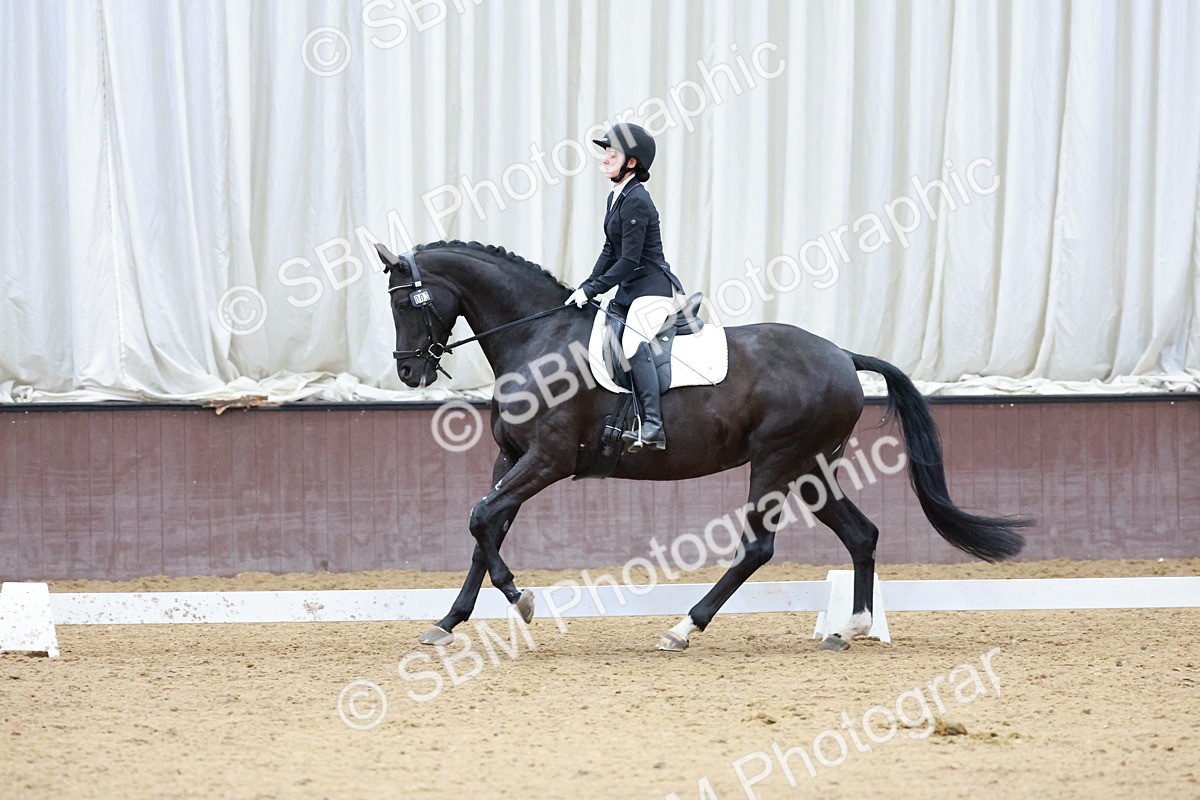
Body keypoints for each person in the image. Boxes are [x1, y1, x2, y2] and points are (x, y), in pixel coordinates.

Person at [564, 123, 683, 452]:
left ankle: (653, 426)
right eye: (605, 153)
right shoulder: (617, 196)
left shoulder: (637, 201)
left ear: (631, 162)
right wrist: (587, 285)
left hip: (652, 290)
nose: (604, 159)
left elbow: (629, 260)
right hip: (630, 292)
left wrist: (594, 290)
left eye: (612, 155)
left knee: (631, 343)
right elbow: (610, 250)